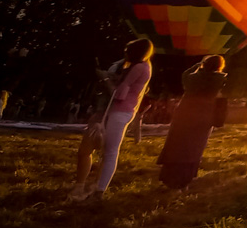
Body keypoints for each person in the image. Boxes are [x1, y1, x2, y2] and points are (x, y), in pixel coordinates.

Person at [81, 38, 154, 201]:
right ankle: (98, 186)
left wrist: (106, 79)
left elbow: (119, 95)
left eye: (128, 51)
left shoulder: (138, 68)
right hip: (125, 111)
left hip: (121, 111)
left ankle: (100, 190)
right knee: (108, 151)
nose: (125, 54)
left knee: (111, 151)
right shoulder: (146, 67)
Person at [157, 55, 227, 190]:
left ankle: (169, 178)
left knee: (176, 146)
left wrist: (198, 65)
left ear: (204, 64)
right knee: (194, 149)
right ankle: (185, 181)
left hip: (185, 114)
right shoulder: (220, 80)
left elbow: (185, 74)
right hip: (204, 117)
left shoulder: (193, 79)